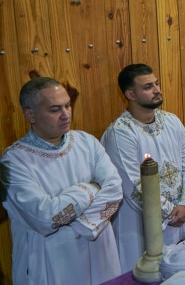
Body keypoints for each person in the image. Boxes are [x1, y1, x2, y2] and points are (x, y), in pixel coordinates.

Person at [1, 77, 123, 284]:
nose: (66, 115)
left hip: (100, 252)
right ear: (30, 115)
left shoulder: (87, 142)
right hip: (52, 259)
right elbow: (46, 218)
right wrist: (89, 189)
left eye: (67, 105)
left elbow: (115, 191)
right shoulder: (13, 161)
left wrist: (82, 225)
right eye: (54, 109)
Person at [101, 64, 185, 272]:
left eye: (156, 83)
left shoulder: (172, 121)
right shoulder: (120, 133)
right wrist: (171, 212)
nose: (157, 89)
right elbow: (132, 185)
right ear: (130, 94)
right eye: (148, 87)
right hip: (139, 224)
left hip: (179, 216)